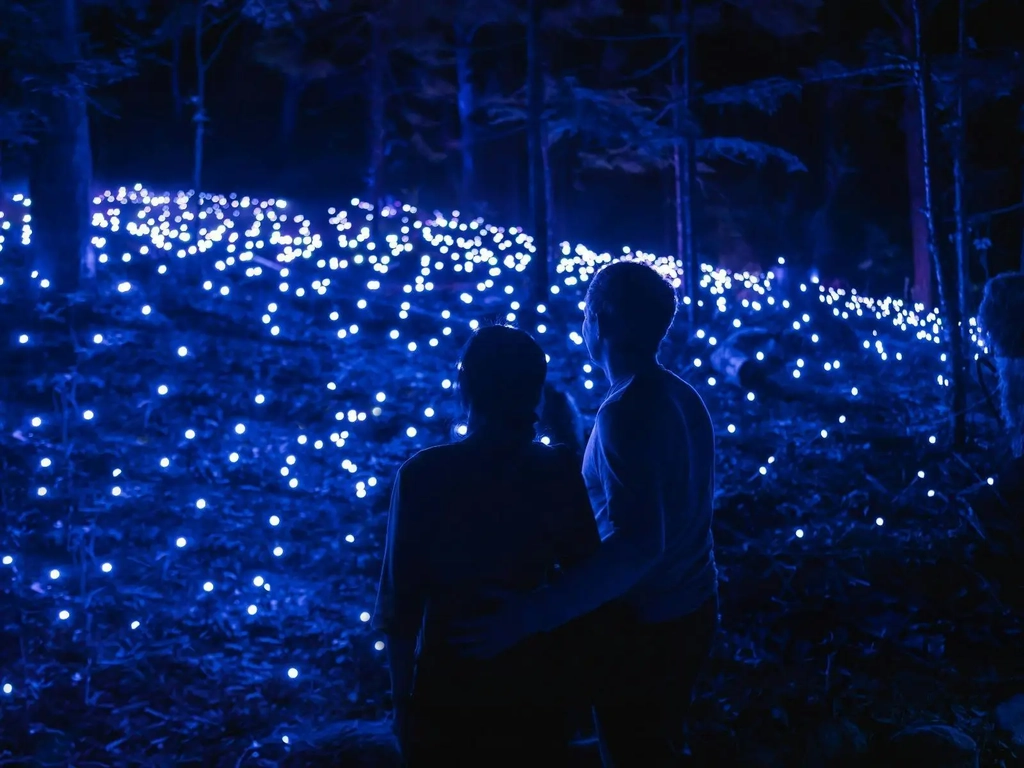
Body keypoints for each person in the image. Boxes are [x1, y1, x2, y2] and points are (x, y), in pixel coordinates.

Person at [455, 260, 720, 767]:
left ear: (597, 320)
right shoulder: (683, 396)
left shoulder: (625, 414)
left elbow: (641, 543)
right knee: (659, 742)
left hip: (649, 626)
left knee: (633, 750)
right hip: (694, 605)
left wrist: (530, 615)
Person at [372, 324, 601, 766]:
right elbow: (589, 579)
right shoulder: (556, 470)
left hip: (448, 688)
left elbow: (400, 608)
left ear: (466, 388)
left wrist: (402, 705)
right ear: (535, 393)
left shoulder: (424, 475)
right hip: (535, 685)